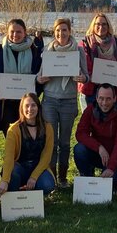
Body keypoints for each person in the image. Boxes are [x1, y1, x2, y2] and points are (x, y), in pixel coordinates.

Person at [37, 18, 88, 188]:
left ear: (70, 31)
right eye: (58, 30)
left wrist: (82, 78)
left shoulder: (78, 51)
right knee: (51, 141)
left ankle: (63, 178)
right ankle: (51, 178)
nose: (61, 33)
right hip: (50, 100)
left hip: (69, 101)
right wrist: (41, 78)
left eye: (64, 30)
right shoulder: (47, 50)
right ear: (54, 32)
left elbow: (86, 76)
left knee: (65, 142)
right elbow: (38, 76)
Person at [0, 18, 42, 134]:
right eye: (12, 31)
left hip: (28, 104)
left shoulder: (35, 52)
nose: (15, 35)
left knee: (28, 136)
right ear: (7, 32)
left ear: (25, 33)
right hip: (6, 104)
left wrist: (36, 93)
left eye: (19, 32)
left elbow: (39, 76)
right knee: (10, 136)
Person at [0, 93, 56, 195]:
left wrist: (34, 177)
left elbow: (47, 157)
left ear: (38, 107)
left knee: (47, 186)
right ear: (21, 108)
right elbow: (9, 157)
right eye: (27, 106)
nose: (30, 109)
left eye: (33, 105)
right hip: (19, 167)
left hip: (38, 167)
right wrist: (4, 180)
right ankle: (20, 190)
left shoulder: (48, 128)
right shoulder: (13, 130)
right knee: (12, 180)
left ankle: (31, 190)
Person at [74, 83, 117, 180]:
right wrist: (99, 147)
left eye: (108, 99)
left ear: (115, 98)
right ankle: (87, 177)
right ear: (96, 98)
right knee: (79, 149)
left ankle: (111, 172)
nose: (104, 103)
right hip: (98, 152)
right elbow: (80, 133)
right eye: (101, 98)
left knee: (112, 182)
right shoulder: (90, 109)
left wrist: (111, 168)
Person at [78, 12, 117, 110]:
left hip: (110, 91)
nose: (101, 26)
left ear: (108, 26)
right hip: (90, 90)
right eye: (97, 24)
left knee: (109, 123)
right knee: (89, 122)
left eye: (104, 24)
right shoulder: (85, 43)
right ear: (93, 26)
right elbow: (82, 67)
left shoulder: (116, 43)